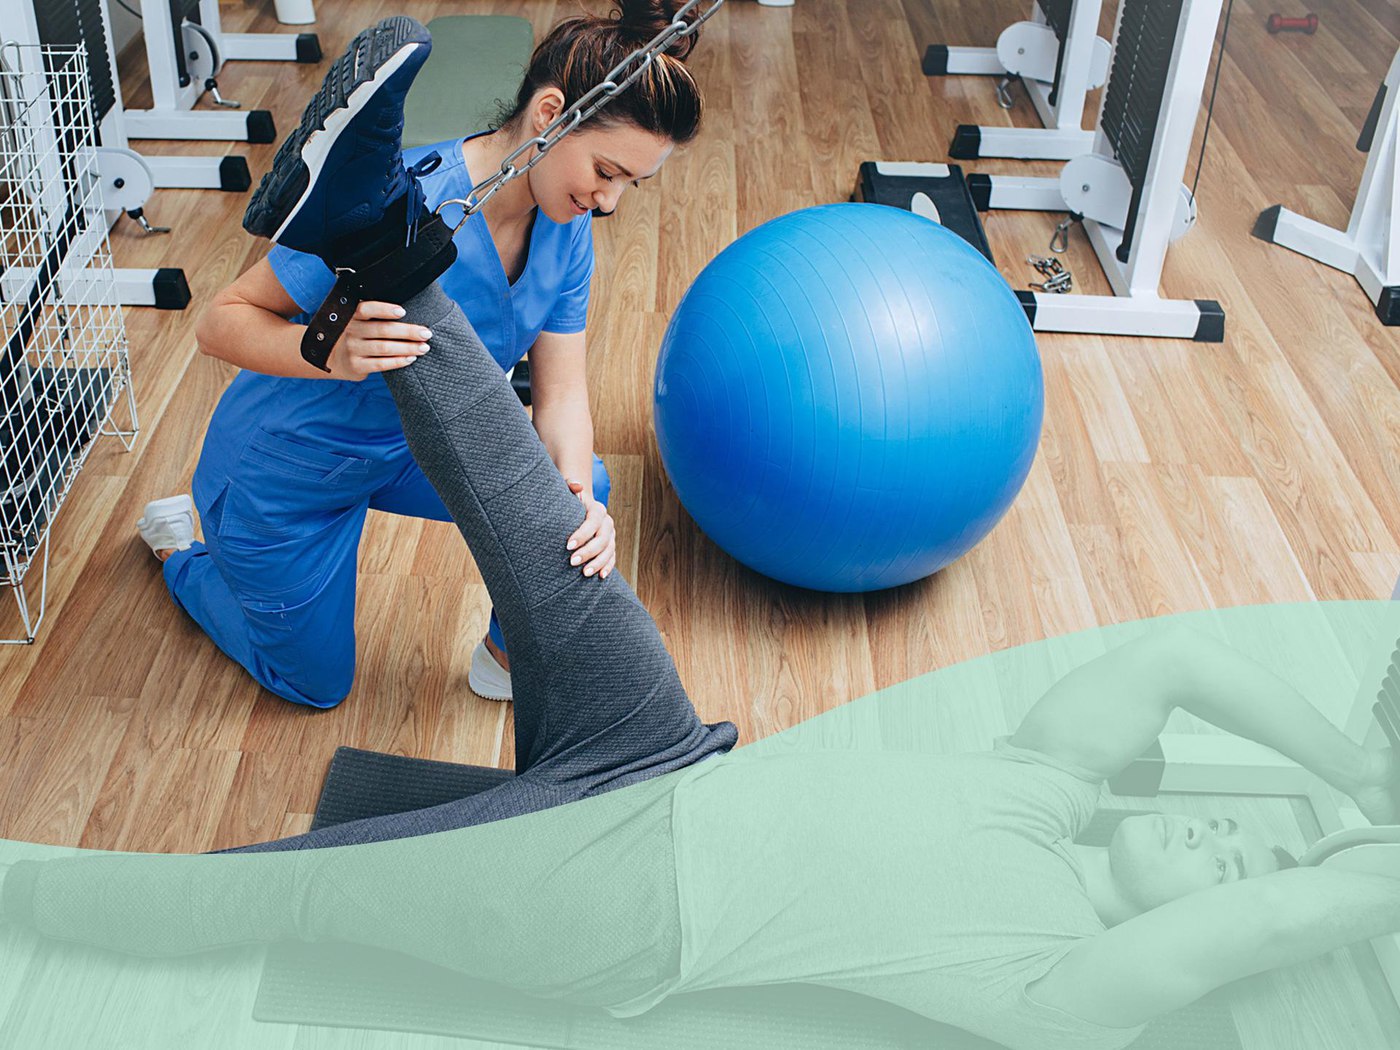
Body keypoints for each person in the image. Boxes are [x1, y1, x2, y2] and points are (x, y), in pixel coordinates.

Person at [10, 17, 1400, 1050]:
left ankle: (40, 890)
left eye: (1239, 871)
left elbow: (1289, 917)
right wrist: (1348, 773)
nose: (1234, 847)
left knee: (295, 897)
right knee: (561, 531)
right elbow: (1170, 673)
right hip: (658, 750)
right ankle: (372, 216)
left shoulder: (1060, 985)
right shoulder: (1049, 779)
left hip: (619, 912)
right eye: (1249, 827)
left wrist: (1353, 865)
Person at [132, 0, 707, 708]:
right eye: (608, 170)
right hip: (287, 468)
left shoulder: (567, 224)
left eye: (630, 184)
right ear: (550, 112)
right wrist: (327, 350)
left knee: (580, 486)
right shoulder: (402, 207)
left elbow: (561, 398)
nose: (612, 199)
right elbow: (220, 323)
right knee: (314, 687)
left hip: (411, 446)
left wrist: (579, 505)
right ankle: (182, 554)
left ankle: (505, 658)